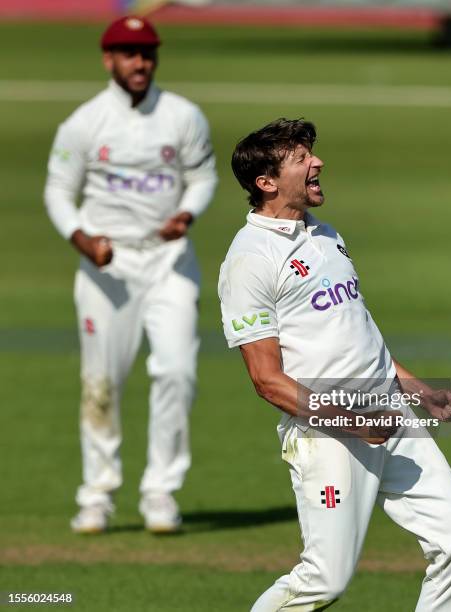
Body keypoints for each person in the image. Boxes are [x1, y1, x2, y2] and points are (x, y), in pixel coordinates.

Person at [218, 118, 451, 610]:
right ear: (266, 182)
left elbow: (357, 333)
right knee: (324, 580)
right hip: (332, 433)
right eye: (301, 158)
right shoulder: (250, 259)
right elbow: (266, 380)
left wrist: (420, 391)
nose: (317, 163)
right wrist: (354, 423)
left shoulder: (325, 235)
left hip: (390, 416)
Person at [44, 15, 217, 534]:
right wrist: (81, 238)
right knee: (102, 382)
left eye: (146, 53)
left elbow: (202, 177)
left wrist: (186, 213)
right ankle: (97, 493)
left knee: (177, 373)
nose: (139, 62)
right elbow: (57, 191)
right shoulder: (84, 122)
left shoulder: (183, 115)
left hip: (169, 263)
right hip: (107, 267)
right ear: (108, 59)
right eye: (127, 53)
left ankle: (161, 491)